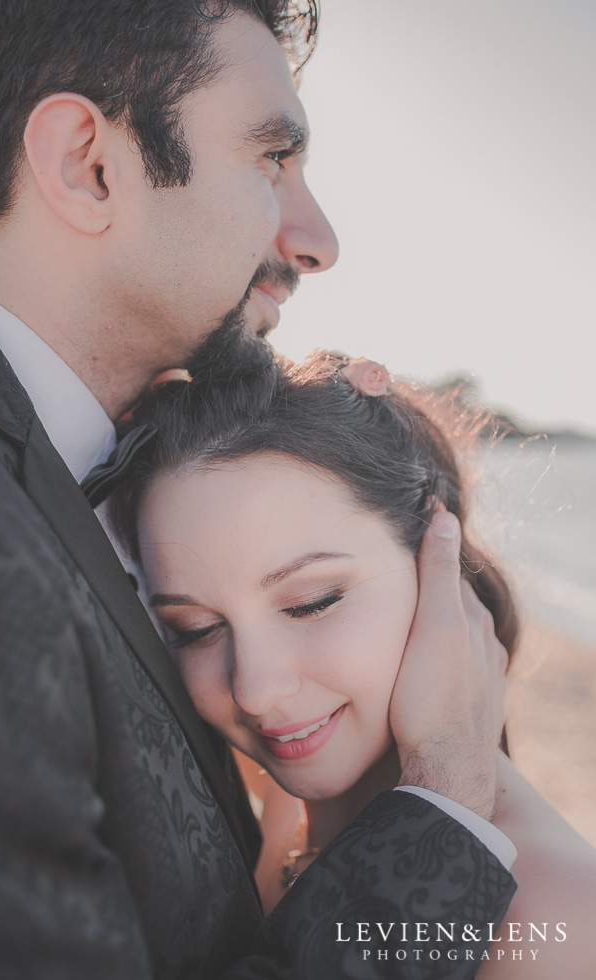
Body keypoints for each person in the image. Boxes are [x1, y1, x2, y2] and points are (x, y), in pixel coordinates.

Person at [0, 1, 515, 976]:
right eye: (270, 158)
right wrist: (445, 806)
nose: (317, 237)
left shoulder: (76, 463)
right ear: (89, 162)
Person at [116, 339, 596, 976]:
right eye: (196, 629)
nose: (255, 689)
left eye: (312, 602)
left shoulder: (546, 918)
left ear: (437, 558)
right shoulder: (273, 813)